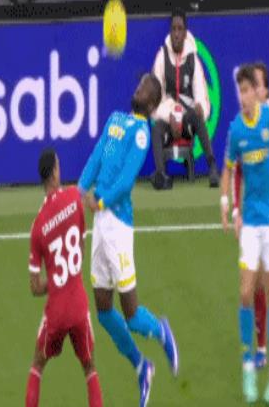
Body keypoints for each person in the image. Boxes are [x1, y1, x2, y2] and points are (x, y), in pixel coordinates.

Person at [78, 74, 179, 407]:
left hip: (118, 225)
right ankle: (141, 366)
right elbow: (97, 156)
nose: (138, 89)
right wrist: (80, 190)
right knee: (104, 310)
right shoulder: (115, 120)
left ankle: (161, 331)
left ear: (152, 104)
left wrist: (100, 200)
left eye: (145, 89)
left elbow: (125, 180)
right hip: (100, 224)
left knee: (132, 314)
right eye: (138, 85)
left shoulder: (141, 133)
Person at [220, 64, 269, 405]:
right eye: (238, 92)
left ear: (257, 92)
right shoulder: (236, 129)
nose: (242, 97)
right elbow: (228, 170)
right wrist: (227, 205)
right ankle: (248, 370)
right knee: (244, 292)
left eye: (246, 91)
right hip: (251, 224)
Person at [25, 148, 103, 407]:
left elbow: (35, 288)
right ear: (55, 173)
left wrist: (55, 279)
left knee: (37, 365)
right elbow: (80, 249)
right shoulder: (73, 198)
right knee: (89, 368)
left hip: (56, 311)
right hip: (79, 305)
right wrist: (68, 273)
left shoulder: (37, 226)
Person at [151, 9, 219, 189]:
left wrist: (201, 109)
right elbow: (155, 101)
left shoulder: (193, 59)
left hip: (187, 122)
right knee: (157, 129)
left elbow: (202, 95)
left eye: (180, 29)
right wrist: (169, 116)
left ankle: (212, 167)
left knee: (198, 116)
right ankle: (161, 175)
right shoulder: (161, 57)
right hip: (169, 122)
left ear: (185, 33)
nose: (176, 34)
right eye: (173, 29)